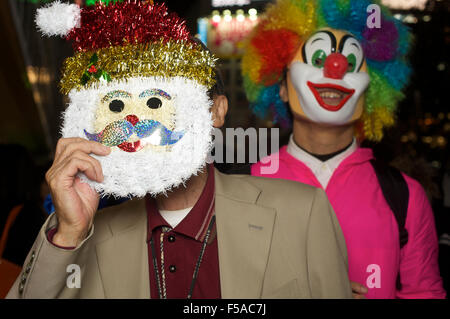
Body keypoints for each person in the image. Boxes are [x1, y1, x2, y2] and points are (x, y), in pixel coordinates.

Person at [7, 0, 351, 299]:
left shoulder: (302, 213)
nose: (135, 119)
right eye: (117, 105)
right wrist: (68, 233)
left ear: (216, 111)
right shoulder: (90, 237)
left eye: (156, 100)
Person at [242, 0, 446, 299]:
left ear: (372, 90)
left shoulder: (406, 196)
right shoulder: (244, 186)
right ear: (281, 86)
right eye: (319, 57)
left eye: (350, 63)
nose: (335, 68)